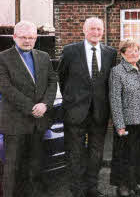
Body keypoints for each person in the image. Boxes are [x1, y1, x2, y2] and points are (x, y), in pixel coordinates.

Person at [57, 17, 117, 197]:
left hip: (99, 112)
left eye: (99, 29)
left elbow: (109, 82)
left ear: (103, 31)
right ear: (84, 30)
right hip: (75, 111)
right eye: (92, 29)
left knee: (96, 153)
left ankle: (92, 187)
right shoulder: (70, 51)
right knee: (75, 153)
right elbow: (62, 77)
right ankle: (77, 189)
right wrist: (71, 99)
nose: (96, 32)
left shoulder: (110, 53)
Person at [0, 21, 57, 197]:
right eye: (24, 37)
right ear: (14, 37)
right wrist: (31, 107)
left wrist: (45, 104)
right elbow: (6, 88)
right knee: (12, 169)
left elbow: (52, 81)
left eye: (31, 37)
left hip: (38, 123)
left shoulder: (43, 56)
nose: (27, 41)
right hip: (14, 123)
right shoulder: (2, 58)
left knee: (35, 168)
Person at [109, 39, 140, 197]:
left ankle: (134, 184)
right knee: (124, 157)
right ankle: (122, 186)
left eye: (136, 50)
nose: (134, 53)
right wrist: (119, 124)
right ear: (122, 53)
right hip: (126, 123)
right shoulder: (117, 72)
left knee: (138, 156)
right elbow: (115, 100)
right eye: (130, 50)